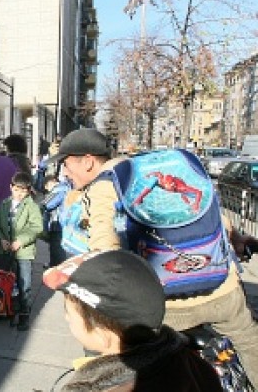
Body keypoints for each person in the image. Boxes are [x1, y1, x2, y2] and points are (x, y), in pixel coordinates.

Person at [47, 127, 258, 385]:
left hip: (164, 305)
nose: (64, 173)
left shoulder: (104, 184)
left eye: (66, 165)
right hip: (222, 291)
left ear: (88, 161)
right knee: (248, 340)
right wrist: (237, 240)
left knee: (111, 352)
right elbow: (213, 217)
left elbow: (106, 252)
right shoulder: (168, 169)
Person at [42, 250, 223, 391]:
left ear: (103, 332)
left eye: (69, 311)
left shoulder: (97, 387)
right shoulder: (194, 365)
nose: (66, 317)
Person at [0, 171, 43, 331]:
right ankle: (6, 308)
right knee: (6, 281)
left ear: (28, 191)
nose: (19, 194)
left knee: (24, 283)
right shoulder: (5, 203)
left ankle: (24, 313)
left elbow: (37, 227)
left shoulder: (31, 206)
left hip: (23, 253)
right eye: (17, 189)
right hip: (5, 250)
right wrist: (0, 239)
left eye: (23, 190)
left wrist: (21, 241)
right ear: (11, 187)